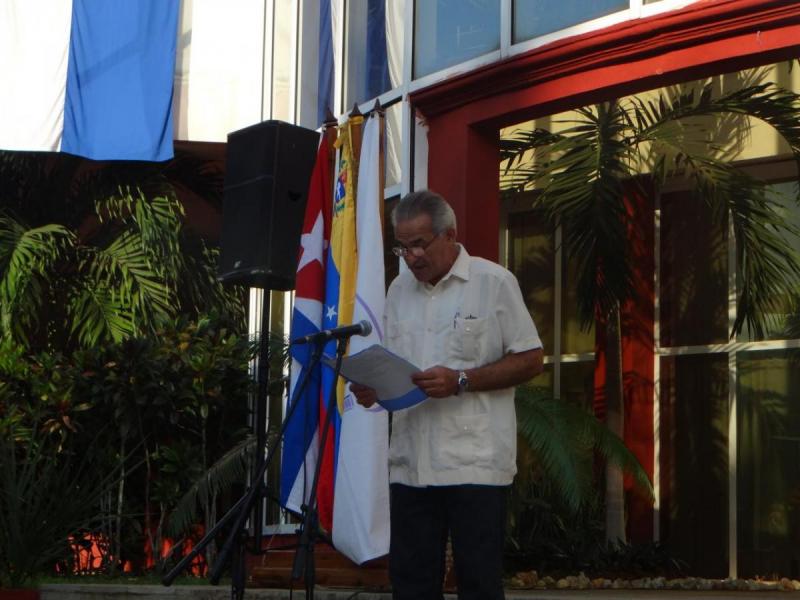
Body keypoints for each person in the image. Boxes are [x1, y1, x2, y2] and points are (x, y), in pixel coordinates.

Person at [350, 190, 544, 600]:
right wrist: (375, 388)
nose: (412, 256)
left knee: (478, 584)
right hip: (410, 463)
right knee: (411, 586)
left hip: (472, 463)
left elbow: (531, 359)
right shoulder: (398, 290)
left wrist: (462, 380)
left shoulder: (493, 283)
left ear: (450, 235)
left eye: (420, 244)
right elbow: (398, 367)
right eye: (402, 247)